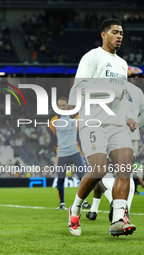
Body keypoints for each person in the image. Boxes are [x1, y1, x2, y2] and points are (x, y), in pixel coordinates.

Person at [67, 18, 137, 237]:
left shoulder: (122, 64)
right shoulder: (92, 57)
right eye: (115, 32)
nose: (119, 36)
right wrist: (109, 91)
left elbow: (122, 96)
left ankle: (118, 219)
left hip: (117, 125)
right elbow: (77, 89)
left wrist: (128, 116)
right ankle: (76, 207)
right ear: (103, 34)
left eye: (122, 33)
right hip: (93, 122)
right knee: (99, 169)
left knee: (125, 168)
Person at [86, 80, 144, 220]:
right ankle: (123, 213)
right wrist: (135, 123)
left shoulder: (105, 86)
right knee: (125, 176)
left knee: (100, 172)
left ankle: (115, 203)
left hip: (109, 133)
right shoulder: (137, 91)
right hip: (132, 135)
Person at [49, 97, 90, 210]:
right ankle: (62, 203)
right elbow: (52, 139)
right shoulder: (53, 121)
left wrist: (82, 148)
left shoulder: (76, 118)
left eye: (63, 105)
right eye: (60, 106)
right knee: (60, 179)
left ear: (68, 106)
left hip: (75, 152)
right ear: (57, 107)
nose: (62, 107)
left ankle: (84, 201)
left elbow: (82, 134)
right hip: (61, 153)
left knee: (83, 177)